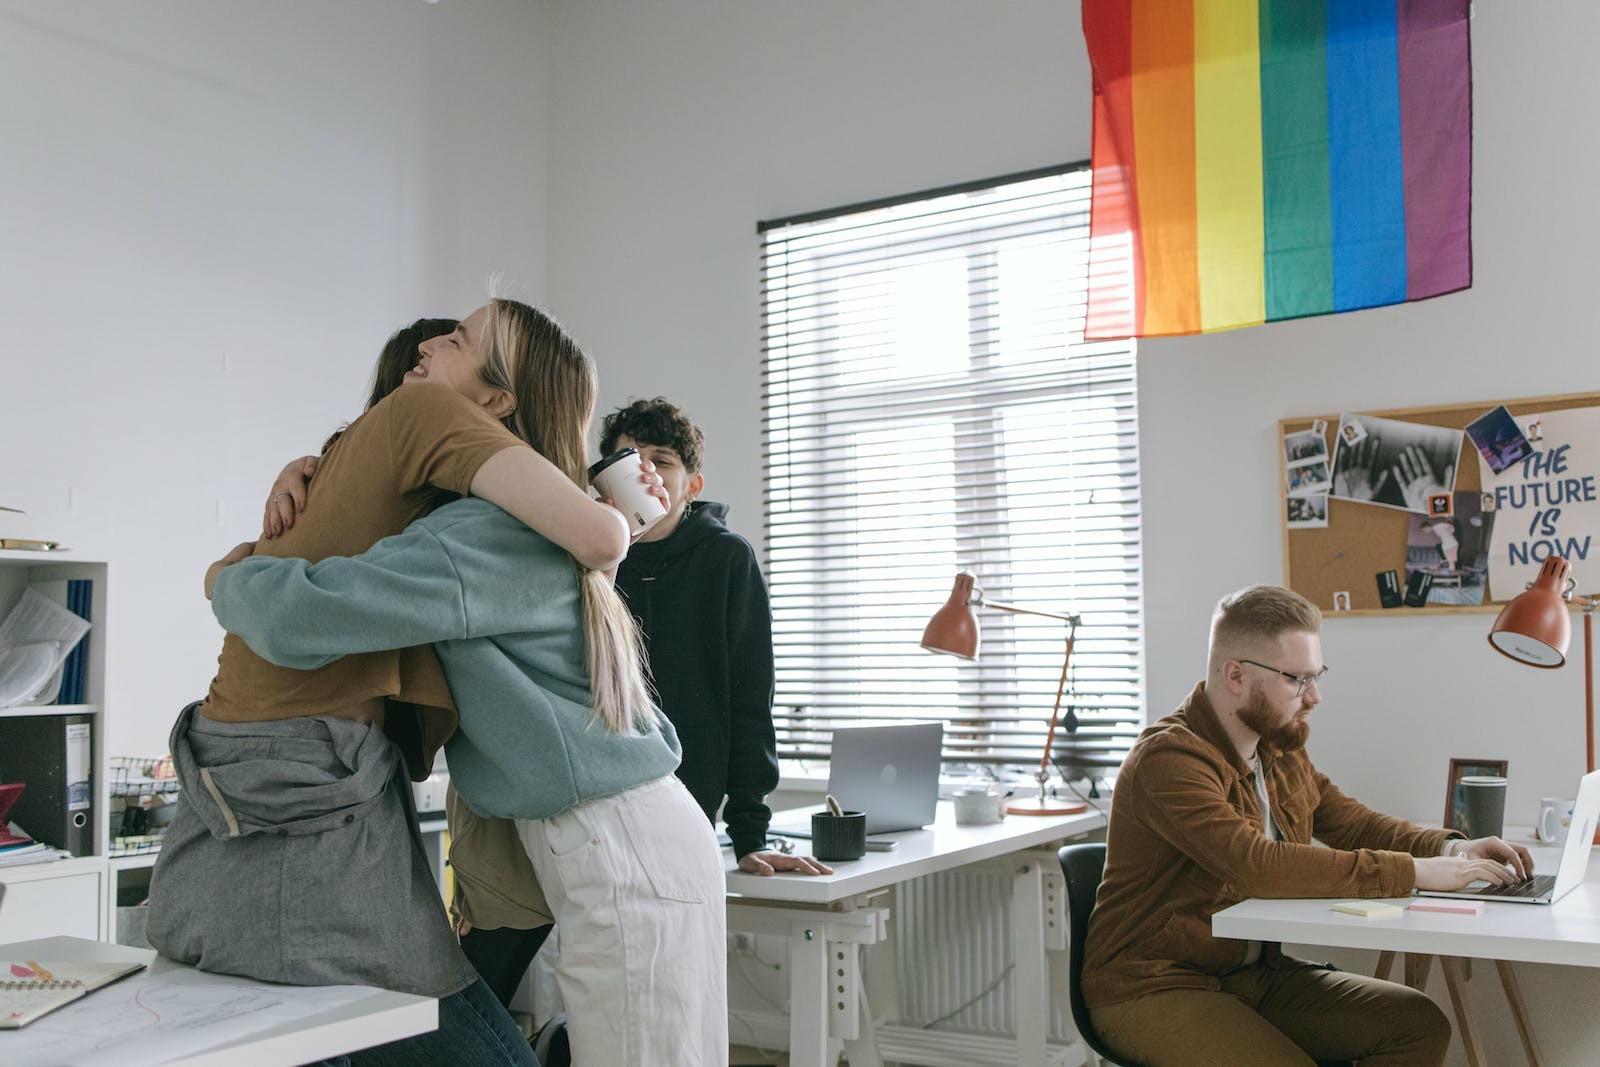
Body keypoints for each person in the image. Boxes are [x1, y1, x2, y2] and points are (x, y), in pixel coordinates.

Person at [210, 317, 729, 1066]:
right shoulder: (523, 524)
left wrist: (227, 575)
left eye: (455, 342)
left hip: (623, 845)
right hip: (632, 836)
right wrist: (317, 468)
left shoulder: (483, 537)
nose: (428, 348)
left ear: (494, 400)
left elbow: (297, 613)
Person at [1081, 584, 1534, 1067]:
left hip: (1256, 976)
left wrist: (1450, 851)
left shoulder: (1277, 747)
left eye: (1316, 677)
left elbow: (1353, 823)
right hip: (1153, 984)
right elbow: (1258, 865)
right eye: (1298, 679)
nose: (1314, 696)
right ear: (1235, 675)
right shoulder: (1169, 760)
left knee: (1416, 1025)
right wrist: (1418, 872)